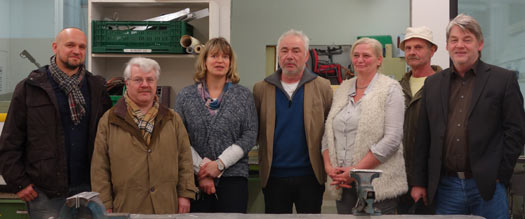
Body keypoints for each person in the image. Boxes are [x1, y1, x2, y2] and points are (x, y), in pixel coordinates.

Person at [410, 14, 525, 219]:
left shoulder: (503, 80)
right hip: (445, 188)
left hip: (488, 187)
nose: (460, 45)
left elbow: (516, 131)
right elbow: (423, 138)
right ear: (447, 45)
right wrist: (419, 182)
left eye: (467, 39)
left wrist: (500, 175)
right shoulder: (433, 84)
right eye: (454, 40)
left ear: (479, 44)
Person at [0, 27, 112, 218]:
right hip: (45, 194)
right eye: (70, 45)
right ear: (55, 47)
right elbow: (10, 142)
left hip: (90, 191)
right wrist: (19, 182)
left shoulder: (96, 88)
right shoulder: (30, 88)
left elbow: (110, 138)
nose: (76, 50)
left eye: (82, 46)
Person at [90, 57, 197, 214]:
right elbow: (100, 168)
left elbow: (185, 160)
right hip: (126, 207)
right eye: (138, 79)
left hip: (166, 206)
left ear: (156, 83)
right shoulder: (109, 120)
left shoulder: (172, 119)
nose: (145, 85)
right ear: (127, 84)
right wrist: (104, 204)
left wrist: (185, 194)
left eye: (150, 79)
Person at [321, 37, 407, 214]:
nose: (360, 60)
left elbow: (392, 139)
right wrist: (329, 167)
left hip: (377, 188)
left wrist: (355, 171)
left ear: (379, 60)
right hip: (343, 185)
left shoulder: (390, 89)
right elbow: (328, 133)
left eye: (366, 55)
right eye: (356, 55)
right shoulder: (343, 88)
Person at [253, 29, 333, 214]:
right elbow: (254, 130)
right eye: (284, 50)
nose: (289, 56)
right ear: (278, 54)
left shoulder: (322, 86)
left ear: (306, 56)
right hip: (274, 177)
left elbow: (330, 130)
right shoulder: (261, 89)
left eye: (296, 51)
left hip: (310, 176)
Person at [174, 37, 258, 213]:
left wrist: (220, 164)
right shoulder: (185, 96)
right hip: (194, 181)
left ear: (230, 63)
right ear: (204, 61)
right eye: (214, 56)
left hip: (233, 180)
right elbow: (179, 138)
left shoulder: (244, 96)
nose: (220, 61)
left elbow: (250, 134)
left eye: (225, 57)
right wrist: (202, 171)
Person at [397, 26, 442, 214]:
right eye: (408, 48)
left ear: (432, 50)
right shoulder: (397, 87)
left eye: (418, 47)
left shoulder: (445, 85)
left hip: (433, 177)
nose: (412, 52)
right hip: (400, 176)